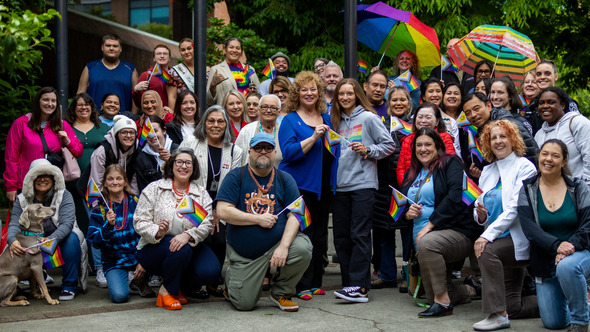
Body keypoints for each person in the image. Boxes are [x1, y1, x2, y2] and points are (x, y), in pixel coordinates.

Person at [216, 132, 313, 312]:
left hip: (276, 246)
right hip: (246, 255)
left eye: (268, 148)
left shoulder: (285, 178)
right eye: (258, 148)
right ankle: (232, 280)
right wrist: (257, 219)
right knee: (244, 305)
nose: (263, 151)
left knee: (302, 248)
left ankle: (281, 293)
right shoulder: (236, 176)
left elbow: (296, 214)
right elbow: (222, 211)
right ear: (249, 151)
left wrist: (284, 247)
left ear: (274, 152)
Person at [400, 128, 482, 317]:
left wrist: (430, 225)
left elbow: (455, 197)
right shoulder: (412, 173)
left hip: (456, 232)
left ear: (438, 146)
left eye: (428, 144)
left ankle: (444, 305)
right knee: (429, 296)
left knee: (427, 243)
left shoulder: (450, 163)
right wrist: (407, 214)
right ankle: (471, 290)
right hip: (420, 241)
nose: (423, 149)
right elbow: (403, 204)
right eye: (418, 145)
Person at [331, 79, 395, 303]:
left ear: (358, 94)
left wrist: (368, 150)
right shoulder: (334, 120)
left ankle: (360, 287)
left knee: (359, 235)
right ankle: (349, 284)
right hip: (339, 186)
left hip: (363, 185)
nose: (345, 97)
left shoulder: (369, 118)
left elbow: (389, 145)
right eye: (342, 94)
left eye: (350, 93)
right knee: (341, 237)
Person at [472, 120, 539, 331]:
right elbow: (479, 209)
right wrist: (480, 216)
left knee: (486, 250)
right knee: (514, 307)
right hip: (498, 237)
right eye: (494, 138)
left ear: (513, 139)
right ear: (488, 143)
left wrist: (486, 236)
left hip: (518, 238)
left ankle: (497, 315)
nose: (499, 141)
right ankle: (559, 298)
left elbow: (515, 208)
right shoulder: (488, 171)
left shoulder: (525, 167)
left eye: (503, 136)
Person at [134, 148, 220, 310]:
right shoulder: (155, 189)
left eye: (188, 163)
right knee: (180, 249)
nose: (183, 166)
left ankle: (181, 286)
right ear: (171, 165)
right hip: (155, 247)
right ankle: (167, 291)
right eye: (179, 162)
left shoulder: (199, 193)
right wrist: (157, 231)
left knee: (211, 271)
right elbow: (139, 220)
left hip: (189, 244)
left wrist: (188, 235)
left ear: (194, 168)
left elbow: (207, 223)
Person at [518, 139, 590, 331]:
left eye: (555, 155)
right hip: (545, 262)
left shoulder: (578, 187)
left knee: (567, 266)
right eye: (545, 154)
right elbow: (530, 228)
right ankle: (582, 300)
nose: (548, 159)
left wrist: (568, 247)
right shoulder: (528, 188)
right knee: (553, 323)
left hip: (580, 253)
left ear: (564, 161)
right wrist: (556, 245)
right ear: (538, 157)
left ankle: (581, 322)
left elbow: (588, 225)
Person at [278, 71, 337, 301]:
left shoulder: (327, 117)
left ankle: (315, 283)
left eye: (313, 89)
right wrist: (313, 137)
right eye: (304, 89)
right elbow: (289, 153)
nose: (310, 93)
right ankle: (300, 284)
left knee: (320, 234)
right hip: (299, 184)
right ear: (297, 93)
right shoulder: (290, 119)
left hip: (323, 184)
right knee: (303, 232)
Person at [179, 105, 243, 296]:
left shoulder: (234, 150)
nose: (216, 125)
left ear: (226, 125)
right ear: (204, 123)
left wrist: (217, 210)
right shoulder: (191, 142)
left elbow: (233, 183)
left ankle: (214, 283)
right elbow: (181, 172)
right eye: (211, 121)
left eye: (220, 121)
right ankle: (195, 283)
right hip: (193, 202)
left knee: (219, 237)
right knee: (201, 237)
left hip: (222, 204)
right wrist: (207, 211)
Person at [7, 159, 87, 301]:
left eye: (47, 175)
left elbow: (67, 224)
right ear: (31, 180)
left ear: (53, 178)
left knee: (72, 239)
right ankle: (36, 282)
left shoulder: (64, 195)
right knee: (16, 244)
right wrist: (12, 241)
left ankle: (69, 285)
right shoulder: (22, 199)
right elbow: (14, 224)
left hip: (59, 238)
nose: (43, 179)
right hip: (33, 241)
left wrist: (51, 239)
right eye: (38, 176)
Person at [87, 165, 154, 303]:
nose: (115, 182)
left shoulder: (137, 202)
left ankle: (140, 280)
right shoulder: (100, 208)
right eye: (110, 179)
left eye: (119, 178)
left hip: (139, 255)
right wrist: (107, 225)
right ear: (105, 183)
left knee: (162, 252)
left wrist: (145, 260)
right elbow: (94, 241)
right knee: (119, 296)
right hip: (115, 260)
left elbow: (150, 231)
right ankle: (124, 280)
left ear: (125, 182)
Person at [4, 87, 83, 203]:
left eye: (53, 101)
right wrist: (11, 186)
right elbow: (11, 157)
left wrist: (67, 141)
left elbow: (79, 151)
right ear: (38, 102)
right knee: (27, 220)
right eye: (46, 100)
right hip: (27, 184)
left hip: (52, 185)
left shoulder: (62, 125)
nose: (50, 104)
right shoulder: (21, 124)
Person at [372, 87, 414, 291]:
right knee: (384, 233)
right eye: (394, 100)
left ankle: (408, 275)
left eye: (402, 100)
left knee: (407, 234)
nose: (398, 103)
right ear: (388, 104)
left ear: (409, 102)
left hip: (406, 187)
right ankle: (387, 273)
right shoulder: (380, 125)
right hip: (382, 186)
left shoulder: (416, 125)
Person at [64, 92, 110, 251]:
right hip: (74, 183)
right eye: (79, 105)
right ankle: (85, 260)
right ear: (73, 109)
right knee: (81, 220)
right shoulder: (66, 129)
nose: (84, 108)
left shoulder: (103, 127)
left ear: (92, 107)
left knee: (99, 218)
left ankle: (99, 260)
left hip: (99, 182)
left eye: (87, 104)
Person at [462, 92, 538, 177]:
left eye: (476, 109)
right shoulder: (482, 131)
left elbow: (530, 153)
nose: (473, 115)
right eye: (468, 113)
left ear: (488, 106)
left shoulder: (507, 125)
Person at [534, 87, 590, 185]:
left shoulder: (577, 123)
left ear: (563, 105)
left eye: (551, 102)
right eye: (541, 103)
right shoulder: (539, 135)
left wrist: (585, 188)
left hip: (579, 192)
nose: (545, 106)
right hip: (551, 194)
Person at [396, 103, 456, 187]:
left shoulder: (444, 138)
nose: (423, 120)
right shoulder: (407, 139)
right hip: (411, 188)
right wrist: (407, 187)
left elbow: (451, 165)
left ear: (437, 121)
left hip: (437, 187)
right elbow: (401, 169)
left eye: (428, 117)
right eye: (420, 117)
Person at [77, 34, 138, 113]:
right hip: (95, 119)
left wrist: (133, 118)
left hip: (123, 121)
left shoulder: (131, 69)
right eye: (108, 45)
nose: (111, 48)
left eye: (115, 46)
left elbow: (136, 97)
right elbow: (80, 95)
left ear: (120, 49)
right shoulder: (90, 68)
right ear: (102, 47)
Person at [89, 115, 140, 195]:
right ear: (116, 134)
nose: (128, 136)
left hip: (121, 194)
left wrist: (134, 202)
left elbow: (134, 182)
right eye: (124, 132)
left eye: (132, 132)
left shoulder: (137, 150)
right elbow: (96, 182)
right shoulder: (102, 151)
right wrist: (97, 205)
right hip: (100, 192)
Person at [206, 37, 260, 106]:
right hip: (226, 113)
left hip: (247, 113)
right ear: (225, 50)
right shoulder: (216, 69)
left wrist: (254, 93)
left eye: (238, 48)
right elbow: (208, 101)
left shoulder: (249, 69)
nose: (234, 50)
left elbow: (259, 95)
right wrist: (212, 86)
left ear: (241, 51)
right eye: (231, 47)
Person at [236, 94, 283, 167]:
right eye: (264, 107)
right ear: (259, 109)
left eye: (273, 108)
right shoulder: (247, 130)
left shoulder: (284, 131)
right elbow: (237, 159)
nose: (268, 110)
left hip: (278, 177)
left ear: (279, 112)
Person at [135, 116, 178, 194]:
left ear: (164, 131)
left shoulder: (177, 150)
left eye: (155, 131)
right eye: (148, 132)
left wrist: (171, 161)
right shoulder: (141, 157)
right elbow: (142, 187)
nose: (152, 135)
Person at [168, 38, 195, 108]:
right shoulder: (174, 72)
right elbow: (172, 97)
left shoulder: (207, 70)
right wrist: (171, 117)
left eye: (189, 48)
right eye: (183, 50)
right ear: (180, 52)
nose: (186, 52)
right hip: (184, 111)